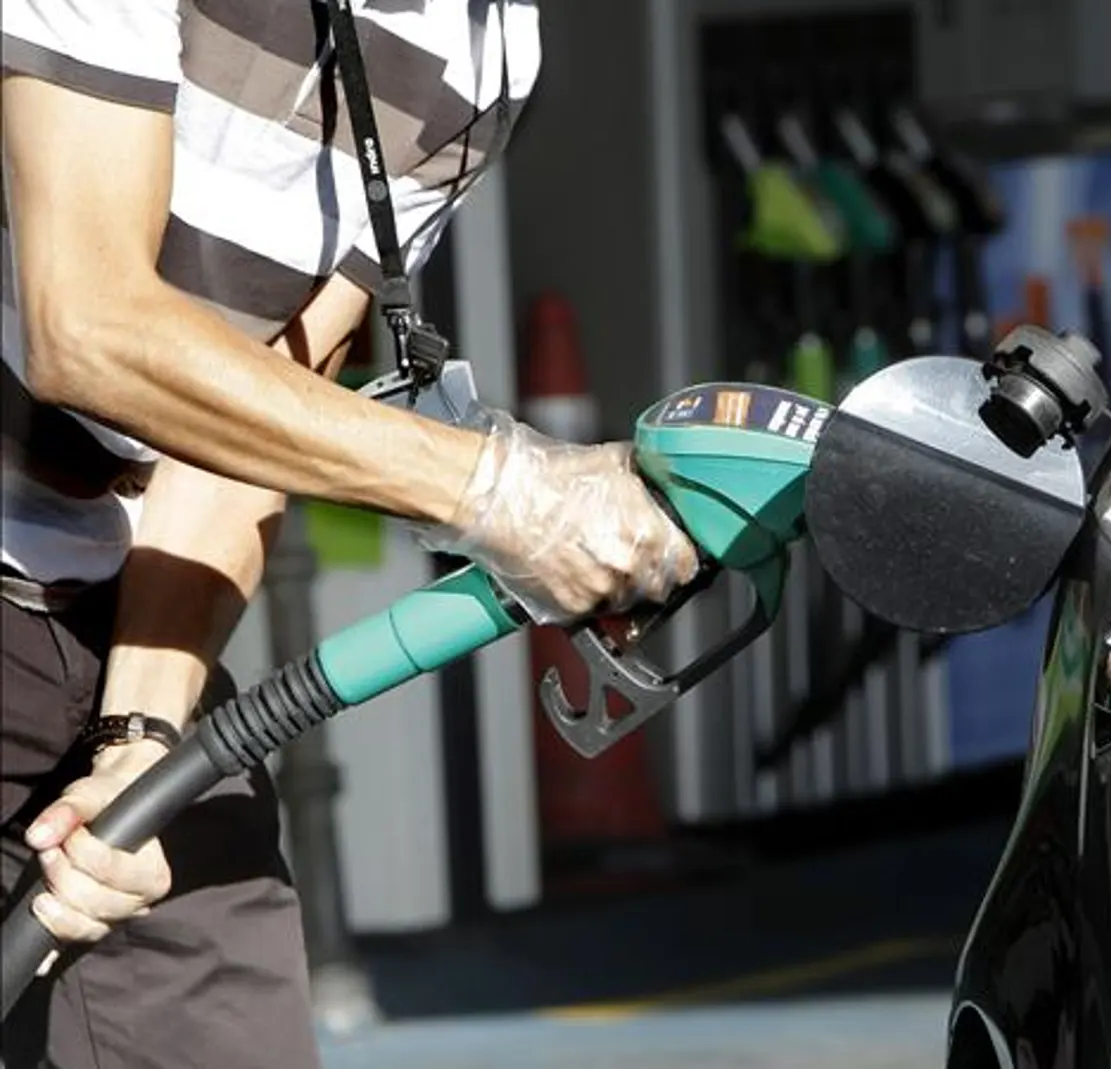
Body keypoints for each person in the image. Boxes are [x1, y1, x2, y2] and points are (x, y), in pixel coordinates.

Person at [0, 2, 698, 1066]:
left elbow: (236, 436)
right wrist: (502, 491)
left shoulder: (485, 50)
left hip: (84, 590)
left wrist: (132, 744)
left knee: (217, 1006)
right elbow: (88, 327)